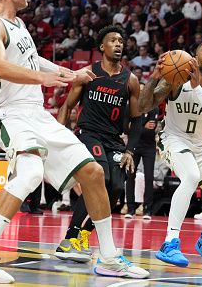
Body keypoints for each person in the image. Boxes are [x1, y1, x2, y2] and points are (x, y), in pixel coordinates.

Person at [0, 0, 148, 283]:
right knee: (31, 173)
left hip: (36, 113)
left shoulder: (19, 24)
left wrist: (67, 73)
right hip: (10, 112)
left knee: (93, 172)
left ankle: (109, 258)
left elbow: (35, 62)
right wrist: (46, 78)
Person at [138, 41, 202, 267]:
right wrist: (154, 77)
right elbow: (142, 107)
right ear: (194, 58)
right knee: (190, 177)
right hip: (173, 139)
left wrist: (198, 88)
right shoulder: (175, 80)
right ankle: (170, 242)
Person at [54, 25, 142, 262]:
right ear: (102, 47)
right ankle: (68, 239)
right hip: (88, 134)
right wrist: (61, 139)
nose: (118, 44)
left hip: (113, 141)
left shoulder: (130, 80)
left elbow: (137, 119)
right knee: (99, 177)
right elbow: (67, 107)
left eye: (121, 40)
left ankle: (82, 235)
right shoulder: (87, 74)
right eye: (113, 40)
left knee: (115, 189)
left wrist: (131, 151)